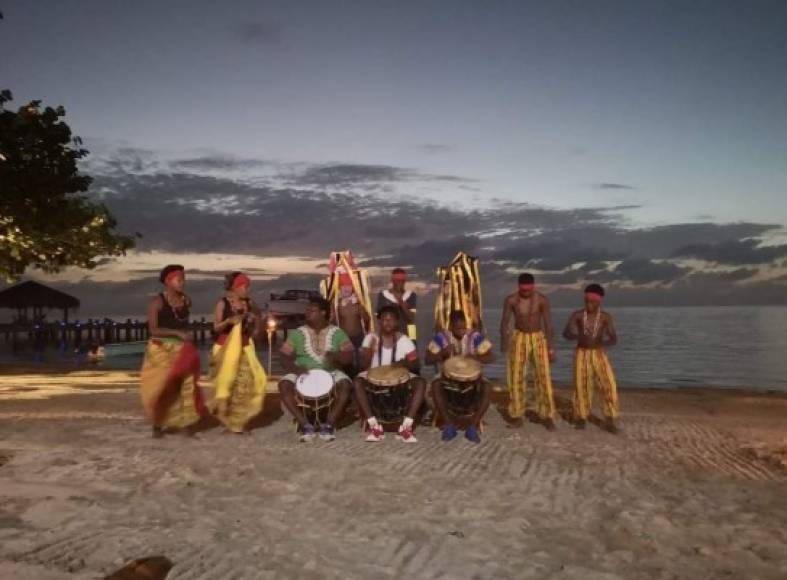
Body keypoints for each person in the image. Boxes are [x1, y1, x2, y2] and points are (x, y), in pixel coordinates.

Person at [140, 265, 205, 438]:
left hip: (182, 349)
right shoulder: (157, 303)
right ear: (168, 281)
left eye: (184, 279)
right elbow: (153, 330)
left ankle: (185, 425)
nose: (183, 282)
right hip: (160, 349)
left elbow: (182, 321)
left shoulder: (186, 300)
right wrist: (177, 333)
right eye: (179, 279)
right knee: (163, 387)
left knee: (185, 386)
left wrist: (185, 334)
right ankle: (157, 424)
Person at [279, 296, 355, 442]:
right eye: (307, 310)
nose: (307, 313)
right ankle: (305, 425)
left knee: (345, 385)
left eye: (312, 310)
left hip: (331, 372)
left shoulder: (338, 333)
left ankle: (329, 425)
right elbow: (283, 356)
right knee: (284, 385)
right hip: (302, 371)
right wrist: (295, 369)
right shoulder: (298, 333)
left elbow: (349, 357)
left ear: (323, 313)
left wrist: (336, 356)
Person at [354, 305, 424, 443]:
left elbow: (416, 364)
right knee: (357, 382)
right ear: (379, 321)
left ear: (397, 322)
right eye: (384, 319)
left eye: (391, 320)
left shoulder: (404, 340)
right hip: (372, 377)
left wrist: (403, 363)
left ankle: (406, 427)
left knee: (421, 383)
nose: (388, 322)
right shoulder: (370, 338)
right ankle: (374, 425)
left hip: (400, 379)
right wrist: (367, 354)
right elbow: (362, 366)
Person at [210, 272, 267, 433]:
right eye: (244, 286)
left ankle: (238, 421)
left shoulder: (250, 303)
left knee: (249, 382)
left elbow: (258, 317)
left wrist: (256, 328)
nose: (247, 290)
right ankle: (228, 420)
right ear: (235, 287)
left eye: (248, 286)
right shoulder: (223, 303)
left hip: (244, 346)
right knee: (226, 385)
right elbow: (216, 327)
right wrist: (229, 321)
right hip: (224, 348)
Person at [500, 273, 557, 430]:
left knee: (543, 376)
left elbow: (548, 325)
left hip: (538, 338)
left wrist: (551, 348)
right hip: (519, 338)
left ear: (533, 286)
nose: (526, 293)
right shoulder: (511, 300)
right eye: (523, 290)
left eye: (528, 290)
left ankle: (547, 415)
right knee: (516, 376)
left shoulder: (542, 300)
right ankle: (517, 415)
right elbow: (504, 322)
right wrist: (504, 342)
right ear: (519, 287)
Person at [426, 310, 494, 443]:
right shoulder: (442, 337)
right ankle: (449, 424)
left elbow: (490, 356)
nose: (462, 331)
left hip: (472, 378)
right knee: (435, 385)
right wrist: (442, 353)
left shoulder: (474, 336)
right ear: (451, 326)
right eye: (458, 328)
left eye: (464, 327)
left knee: (487, 387)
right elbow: (428, 359)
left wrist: (476, 356)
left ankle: (472, 426)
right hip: (448, 378)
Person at [562, 284, 620, 433]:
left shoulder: (605, 317)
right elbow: (565, 333)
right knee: (582, 386)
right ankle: (581, 417)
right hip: (581, 353)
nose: (589, 304)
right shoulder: (578, 315)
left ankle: (610, 418)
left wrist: (603, 343)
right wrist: (575, 335)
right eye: (586, 301)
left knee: (609, 385)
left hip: (599, 353)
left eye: (592, 302)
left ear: (600, 301)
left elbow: (614, 339)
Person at [334, 272, 371, 375]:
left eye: (349, 286)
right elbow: (333, 322)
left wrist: (360, 308)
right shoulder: (337, 304)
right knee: (347, 364)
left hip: (359, 337)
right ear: (340, 288)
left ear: (353, 287)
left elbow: (367, 319)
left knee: (361, 363)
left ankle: (360, 381)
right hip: (344, 339)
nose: (346, 288)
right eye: (344, 286)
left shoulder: (359, 302)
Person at [376, 268, 417, 340]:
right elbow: (379, 319)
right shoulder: (383, 295)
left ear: (405, 281)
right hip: (389, 336)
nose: (399, 283)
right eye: (397, 281)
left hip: (407, 336)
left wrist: (402, 303)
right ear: (392, 281)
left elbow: (412, 319)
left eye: (402, 281)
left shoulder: (411, 295)